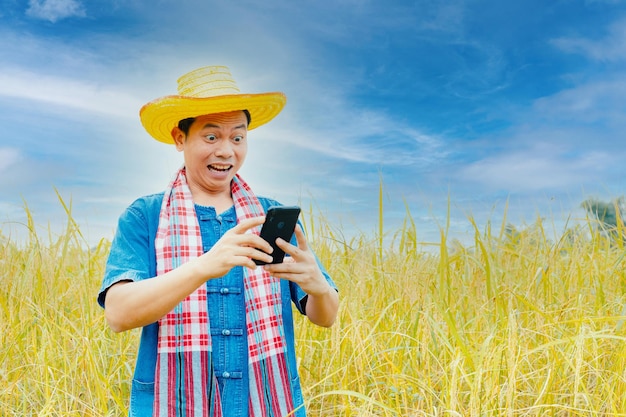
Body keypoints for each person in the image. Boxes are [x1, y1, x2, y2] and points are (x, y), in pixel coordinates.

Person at [98, 65, 339, 417]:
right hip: (174, 403)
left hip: (268, 402)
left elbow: (325, 317)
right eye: (211, 137)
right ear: (180, 138)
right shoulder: (145, 216)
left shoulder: (268, 214)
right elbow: (118, 314)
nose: (227, 151)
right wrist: (204, 266)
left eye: (237, 138)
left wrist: (318, 286)